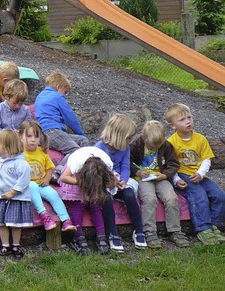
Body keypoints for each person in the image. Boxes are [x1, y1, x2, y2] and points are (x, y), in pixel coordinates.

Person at [166, 103, 225, 245]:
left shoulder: (200, 139)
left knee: (220, 196)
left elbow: (206, 159)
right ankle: (203, 229)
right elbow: (169, 164)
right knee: (199, 196)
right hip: (183, 176)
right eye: (182, 120)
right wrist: (175, 180)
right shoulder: (171, 142)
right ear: (172, 126)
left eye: (189, 117)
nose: (188, 121)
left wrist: (200, 173)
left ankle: (214, 225)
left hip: (200, 176)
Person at [129, 120, 190, 248]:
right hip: (143, 179)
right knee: (149, 199)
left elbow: (173, 164)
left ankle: (175, 230)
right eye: (151, 147)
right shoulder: (136, 145)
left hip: (160, 177)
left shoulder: (166, 146)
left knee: (171, 198)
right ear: (144, 138)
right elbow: (128, 163)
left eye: (157, 147)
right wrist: (138, 172)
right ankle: (149, 231)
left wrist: (165, 175)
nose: (155, 149)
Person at [58, 146, 123, 255]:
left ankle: (101, 236)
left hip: (94, 180)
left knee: (95, 205)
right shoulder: (76, 162)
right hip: (77, 179)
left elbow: (111, 177)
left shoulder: (106, 163)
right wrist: (80, 182)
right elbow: (64, 177)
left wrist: (116, 183)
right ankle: (78, 236)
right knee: (79, 205)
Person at [95, 114, 147, 249]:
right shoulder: (99, 148)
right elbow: (97, 170)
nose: (130, 141)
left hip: (119, 182)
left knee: (129, 195)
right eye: (128, 138)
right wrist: (109, 181)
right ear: (119, 136)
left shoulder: (125, 148)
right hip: (104, 182)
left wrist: (123, 180)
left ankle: (139, 230)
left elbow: (125, 166)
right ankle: (112, 233)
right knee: (106, 199)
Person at [19, 120, 76, 232]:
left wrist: (47, 179)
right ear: (20, 136)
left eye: (36, 136)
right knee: (32, 186)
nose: (33, 139)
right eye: (29, 136)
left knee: (54, 194)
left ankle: (66, 221)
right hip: (26, 186)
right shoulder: (19, 153)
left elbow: (49, 168)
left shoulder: (42, 152)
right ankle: (44, 215)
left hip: (41, 184)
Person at [35, 71, 89, 179]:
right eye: (65, 92)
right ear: (58, 87)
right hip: (52, 131)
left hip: (44, 133)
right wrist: (81, 133)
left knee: (83, 142)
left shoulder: (40, 95)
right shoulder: (58, 97)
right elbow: (70, 118)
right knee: (75, 150)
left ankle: (83, 170)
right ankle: (58, 172)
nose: (65, 95)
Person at [0, 129, 32, 258]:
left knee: (15, 223)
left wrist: (13, 192)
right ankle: (5, 245)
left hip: (16, 198)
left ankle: (16, 245)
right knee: (1, 223)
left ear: (7, 148)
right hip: (2, 197)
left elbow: (24, 180)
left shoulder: (21, 163)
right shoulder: (0, 162)